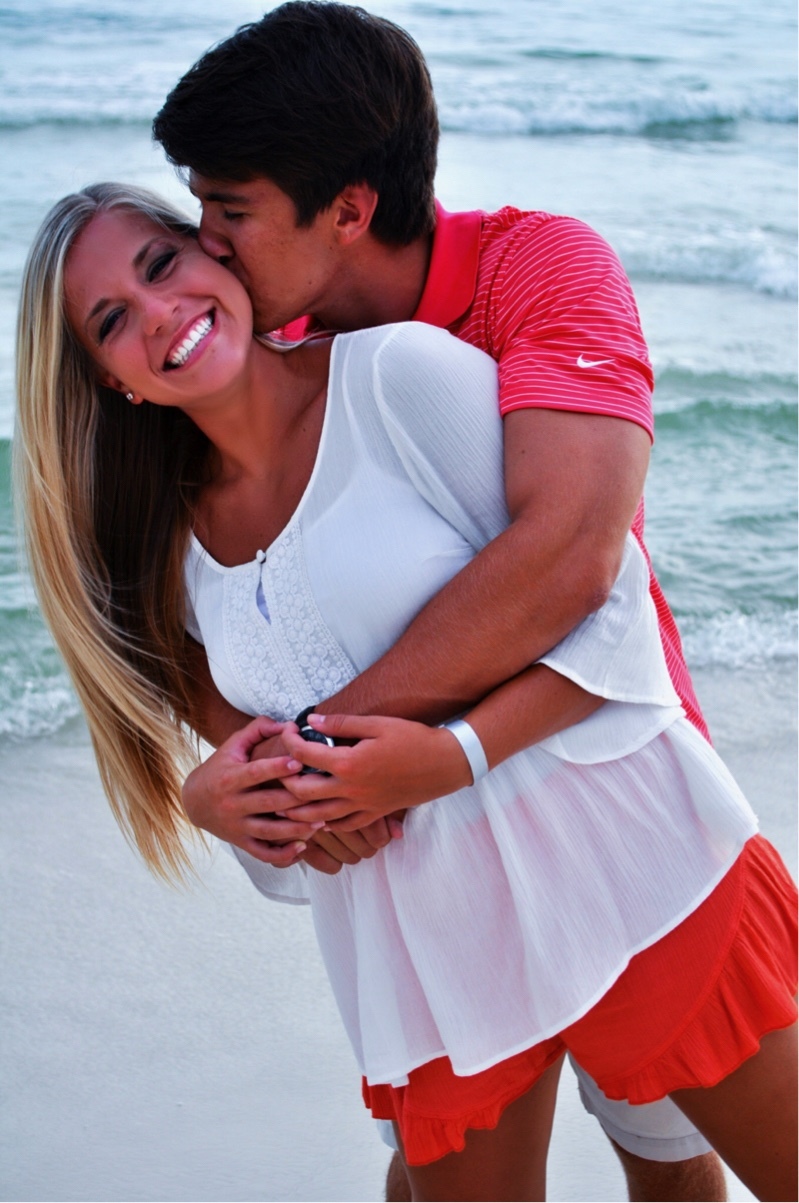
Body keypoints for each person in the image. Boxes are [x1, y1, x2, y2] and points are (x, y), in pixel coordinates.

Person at [15, 183, 797, 1203]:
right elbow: (275, 770)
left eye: (161, 264)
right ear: (108, 379)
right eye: (112, 320)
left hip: (628, 865)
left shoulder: (396, 376)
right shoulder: (170, 555)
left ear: (215, 253)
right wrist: (225, 801)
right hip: (426, 951)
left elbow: (608, 603)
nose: (159, 312)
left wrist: (455, 755)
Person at [151, 4, 730, 1198]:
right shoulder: (260, 346)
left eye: (229, 209)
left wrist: (314, 760)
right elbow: (191, 605)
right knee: (428, 1181)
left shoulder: (537, 266)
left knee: (667, 1159)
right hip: (412, 864)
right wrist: (234, 777)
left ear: (348, 210)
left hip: (597, 793)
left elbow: (568, 554)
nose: (204, 246)